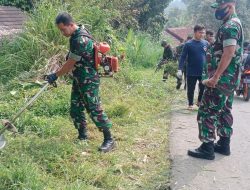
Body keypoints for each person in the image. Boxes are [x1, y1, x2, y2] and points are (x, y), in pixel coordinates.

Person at [45, 12, 115, 153]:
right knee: (75, 108)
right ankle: (82, 136)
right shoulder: (77, 34)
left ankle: (109, 139)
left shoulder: (80, 40)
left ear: (71, 24)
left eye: (63, 29)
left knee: (94, 108)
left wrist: (55, 75)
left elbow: (70, 63)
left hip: (88, 80)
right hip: (79, 79)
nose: (62, 33)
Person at [188, 0, 243, 160]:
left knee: (207, 110)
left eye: (219, 6)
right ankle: (224, 144)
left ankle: (207, 147)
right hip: (230, 79)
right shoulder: (235, 23)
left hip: (222, 79)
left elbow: (229, 52)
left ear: (230, 4)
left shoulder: (230, 26)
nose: (217, 10)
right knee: (225, 110)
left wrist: (215, 77)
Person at [177, 25, 209, 109]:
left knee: (203, 88)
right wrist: (179, 69)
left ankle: (199, 102)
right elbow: (183, 57)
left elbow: (209, 56)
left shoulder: (206, 43)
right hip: (191, 70)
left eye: (203, 33)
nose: (202, 34)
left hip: (203, 71)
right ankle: (190, 104)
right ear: (195, 32)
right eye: (200, 32)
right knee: (190, 89)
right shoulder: (188, 44)